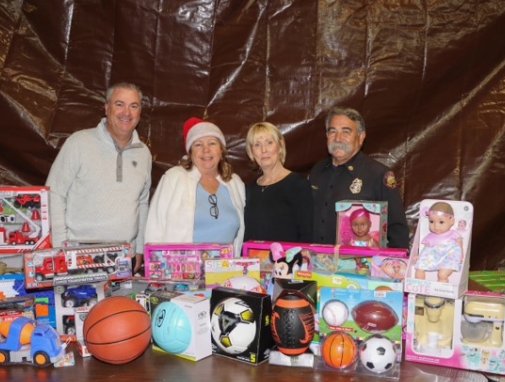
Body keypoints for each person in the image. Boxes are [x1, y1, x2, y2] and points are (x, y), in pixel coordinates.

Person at [46, 82, 152, 273]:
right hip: (77, 253)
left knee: (119, 304)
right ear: (106, 108)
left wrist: (138, 247)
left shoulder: (144, 153)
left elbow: (142, 203)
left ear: (139, 112)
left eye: (133, 106)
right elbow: (54, 194)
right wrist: (60, 247)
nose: (126, 112)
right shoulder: (78, 143)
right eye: (119, 104)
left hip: (123, 255)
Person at [309, 107, 409, 249]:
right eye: (332, 131)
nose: (338, 138)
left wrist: (391, 266)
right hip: (315, 262)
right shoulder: (317, 170)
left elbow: (397, 231)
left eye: (346, 131)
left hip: (357, 266)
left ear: (361, 136)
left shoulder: (379, 174)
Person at [145, 117, 246, 255]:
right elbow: (154, 229)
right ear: (190, 152)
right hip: (182, 272)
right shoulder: (173, 178)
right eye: (198, 144)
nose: (206, 150)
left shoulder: (235, 183)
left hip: (225, 271)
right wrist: (156, 266)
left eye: (212, 143)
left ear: (221, 150)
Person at [243, 122, 313, 243]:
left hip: (286, 261)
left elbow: (307, 234)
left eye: (269, 142)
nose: (264, 150)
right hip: (254, 260)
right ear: (251, 152)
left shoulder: (298, 185)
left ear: (280, 146)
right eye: (257, 145)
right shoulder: (250, 189)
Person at [414, 201, 463, 283]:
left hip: (448, 255)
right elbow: (426, 249)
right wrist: (420, 256)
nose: (436, 226)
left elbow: (459, 244)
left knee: (442, 275)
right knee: (419, 268)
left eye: (441, 222)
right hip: (433, 255)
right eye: (431, 221)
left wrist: (461, 255)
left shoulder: (453, 234)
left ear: (451, 221)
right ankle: (420, 285)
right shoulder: (430, 236)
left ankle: (441, 289)